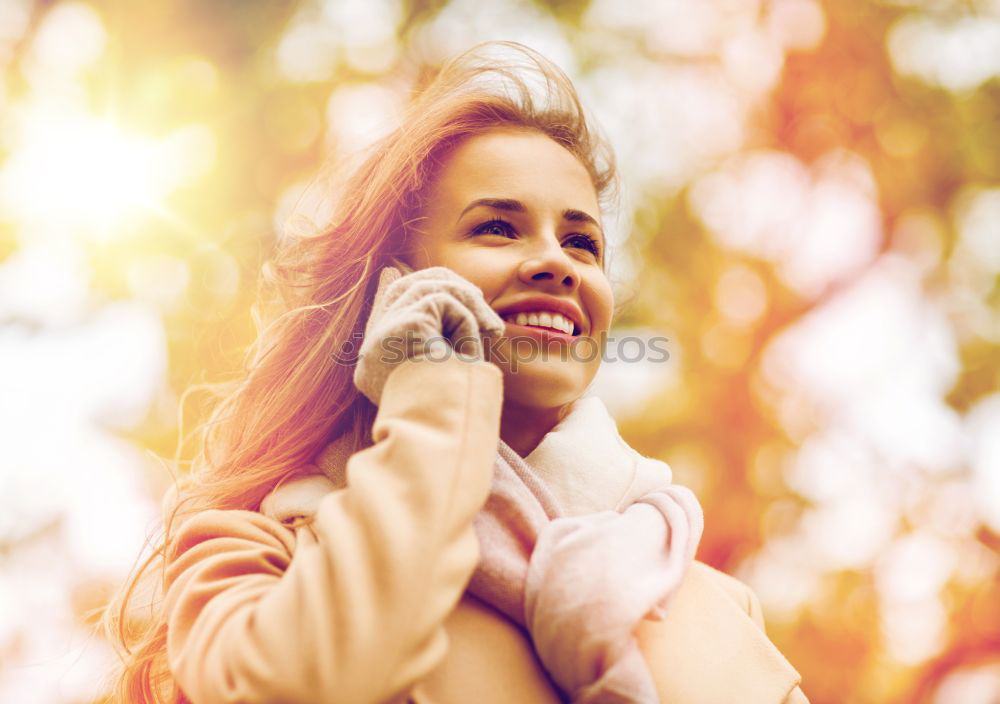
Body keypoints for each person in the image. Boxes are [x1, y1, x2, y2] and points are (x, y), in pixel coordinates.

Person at [105, 40, 809, 703]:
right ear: (389, 290)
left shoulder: (707, 597)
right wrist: (433, 404)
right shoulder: (257, 549)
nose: (557, 263)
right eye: (496, 228)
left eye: (581, 242)